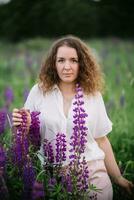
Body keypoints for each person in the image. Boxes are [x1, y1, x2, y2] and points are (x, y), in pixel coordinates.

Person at [12, 35, 134, 200]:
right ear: (53, 63)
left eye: (73, 60)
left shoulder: (93, 95)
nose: (67, 66)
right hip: (52, 178)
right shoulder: (39, 91)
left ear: (81, 63)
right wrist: (21, 124)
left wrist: (118, 178)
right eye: (61, 60)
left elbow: (101, 140)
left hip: (91, 175)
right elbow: (28, 135)